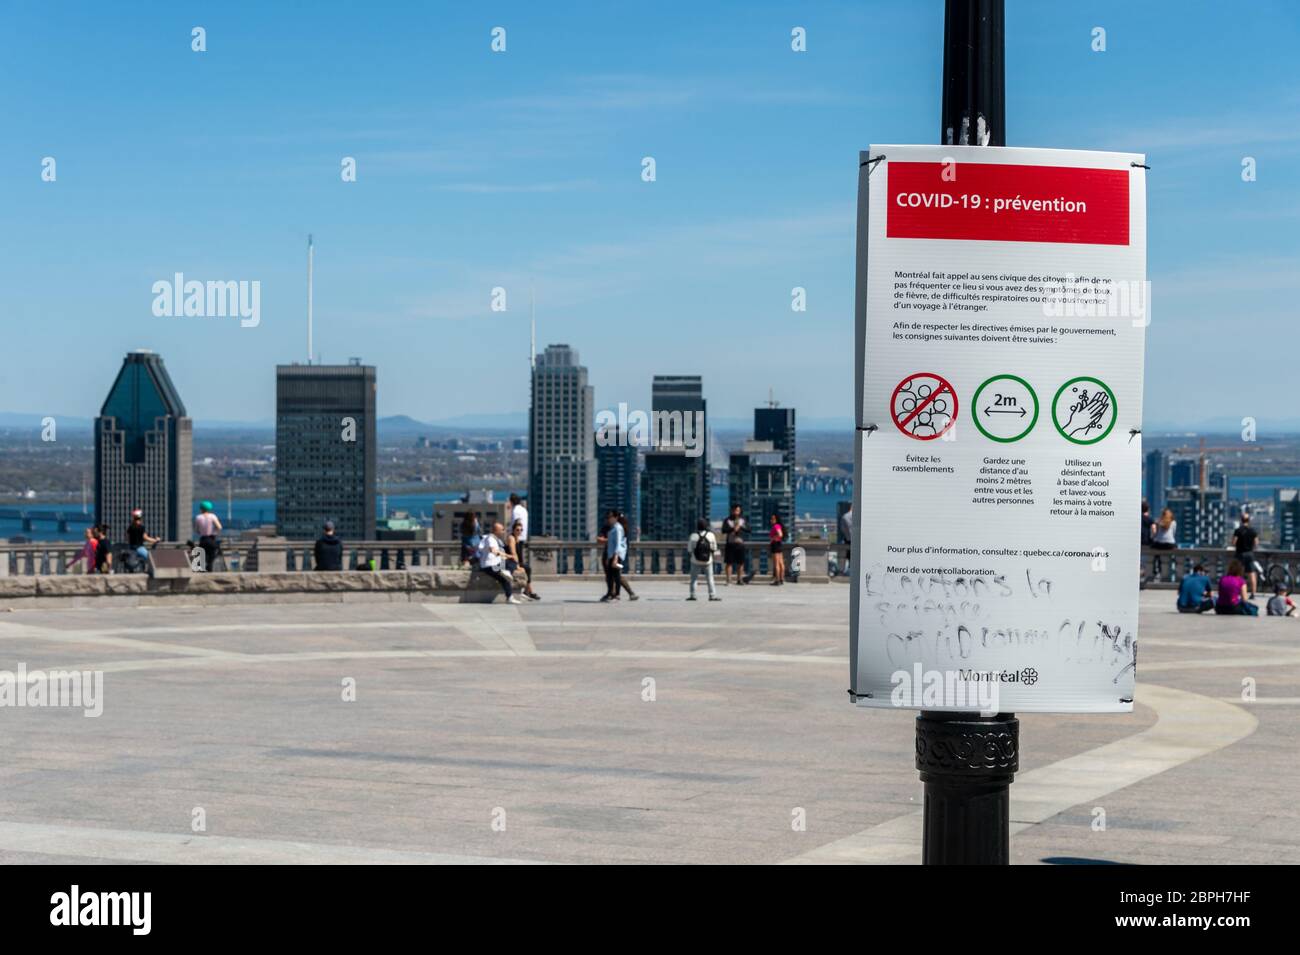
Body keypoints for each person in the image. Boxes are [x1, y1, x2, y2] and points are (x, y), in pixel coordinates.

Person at [477, 521, 522, 604]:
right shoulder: (490, 539)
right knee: (512, 562)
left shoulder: (492, 538)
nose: (503, 531)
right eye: (502, 529)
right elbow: (493, 550)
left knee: (504, 578)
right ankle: (507, 572)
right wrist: (508, 556)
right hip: (491, 566)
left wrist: (504, 556)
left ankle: (509, 597)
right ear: (496, 531)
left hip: (490, 566)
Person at [508, 493, 537, 598]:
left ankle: (526, 589)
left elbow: (517, 523)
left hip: (517, 539)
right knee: (520, 563)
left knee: (518, 564)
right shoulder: (524, 510)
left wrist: (512, 534)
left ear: (511, 501)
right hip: (522, 538)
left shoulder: (515, 511)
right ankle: (528, 590)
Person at [687, 517, 720, 601]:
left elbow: (689, 550)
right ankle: (712, 595)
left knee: (693, 579)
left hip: (695, 560)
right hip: (708, 561)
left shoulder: (693, 535)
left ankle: (693, 595)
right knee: (710, 579)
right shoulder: (711, 535)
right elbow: (714, 548)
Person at [506, 519, 537, 598]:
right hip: (509, 561)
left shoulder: (518, 539)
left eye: (521, 530)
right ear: (513, 530)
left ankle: (528, 591)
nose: (519, 531)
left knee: (527, 568)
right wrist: (517, 566)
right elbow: (513, 553)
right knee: (527, 568)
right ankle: (529, 591)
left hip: (515, 561)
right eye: (517, 530)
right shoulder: (511, 538)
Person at [1231, 514, 1260, 599]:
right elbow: (1256, 542)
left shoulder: (1238, 530)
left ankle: (1238, 591)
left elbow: (1233, 542)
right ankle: (1253, 593)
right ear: (1249, 520)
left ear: (1241, 520)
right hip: (1250, 554)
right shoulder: (1253, 530)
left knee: (1238, 573)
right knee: (1252, 574)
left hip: (1240, 554)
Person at [193, 501, 223, 572]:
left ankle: (203, 569)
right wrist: (214, 531)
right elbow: (219, 527)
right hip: (211, 538)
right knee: (212, 555)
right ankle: (209, 567)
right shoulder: (212, 516)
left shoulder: (198, 517)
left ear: (201, 508)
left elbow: (196, 530)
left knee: (202, 556)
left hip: (203, 539)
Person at [721, 505, 747, 585]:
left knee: (741, 563)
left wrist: (741, 527)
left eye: (738, 510)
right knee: (729, 563)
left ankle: (739, 579)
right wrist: (733, 528)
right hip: (730, 544)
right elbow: (723, 530)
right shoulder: (727, 520)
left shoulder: (743, 520)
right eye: (735, 510)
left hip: (740, 544)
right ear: (732, 511)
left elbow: (749, 529)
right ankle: (728, 580)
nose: (736, 512)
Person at [768, 513, 786, 585]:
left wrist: (774, 538)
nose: (771, 520)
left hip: (775, 545)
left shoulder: (776, 526)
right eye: (771, 519)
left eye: (773, 519)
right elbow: (781, 535)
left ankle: (777, 580)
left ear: (776, 519)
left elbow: (780, 534)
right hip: (779, 544)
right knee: (781, 563)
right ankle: (781, 579)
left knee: (776, 564)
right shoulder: (778, 525)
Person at [839, 506, 853, 576]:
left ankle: (846, 571)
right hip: (856, 540)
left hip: (848, 539)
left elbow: (842, 529)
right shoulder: (857, 516)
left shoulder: (845, 516)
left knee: (848, 556)